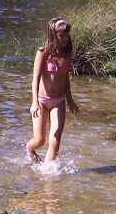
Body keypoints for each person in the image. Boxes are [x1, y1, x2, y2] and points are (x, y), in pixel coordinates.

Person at [27, 17, 79, 162]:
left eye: (67, 35)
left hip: (59, 101)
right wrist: (34, 102)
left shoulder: (67, 55)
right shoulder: (42, 53)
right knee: (40, 140)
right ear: (52, 35)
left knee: (55, 140)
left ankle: (48, 175)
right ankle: (30, 148)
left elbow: (65, 79)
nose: (64, 39)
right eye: (61, 35)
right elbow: (35, 78)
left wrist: (70, 101)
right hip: (42, 101)